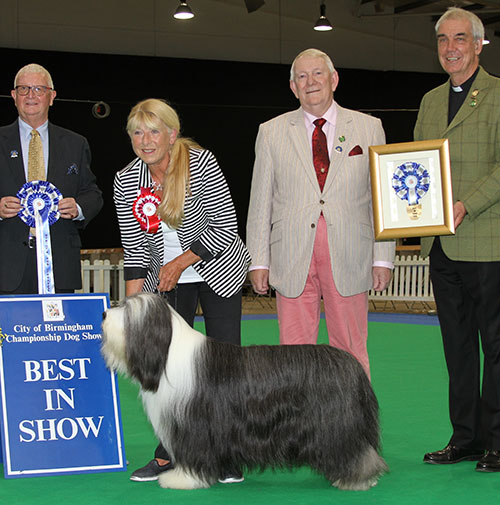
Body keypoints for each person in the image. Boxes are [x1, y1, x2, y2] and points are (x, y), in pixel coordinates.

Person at [113, 98, 250, 482]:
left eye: (154, 130)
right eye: (137, 132)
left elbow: (225, 225)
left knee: (225, 370)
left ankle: (228, 454)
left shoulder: (202, 163)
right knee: (168, 370)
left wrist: (181, 261)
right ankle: (168, 452)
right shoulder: (126, 180)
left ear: (172, 134)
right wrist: (132, 305)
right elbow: (135, 249)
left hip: (216, 266)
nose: (145, 140)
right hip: (167, 280)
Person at [246, 48, 395, 378]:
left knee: (351, 349)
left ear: (334, 79)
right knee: (294, 354)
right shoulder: (270, 132)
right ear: (292, 87)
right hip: (291, 255)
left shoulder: (370, 128)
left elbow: (381, 197)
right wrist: (258, 261)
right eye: (301, 76)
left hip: (351, 254)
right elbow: (260, 201)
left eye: (317, 73)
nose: (310, 81)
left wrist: (383, 256)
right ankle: (299, 428)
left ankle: (355, 427)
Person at [414, 7, 500, 472]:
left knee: (497, 346)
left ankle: (498, 442)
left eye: (461, 39)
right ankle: (465, 437)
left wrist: (466, 202)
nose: (451, 47)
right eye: (443, 39)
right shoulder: (429, 101)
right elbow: (414, 165)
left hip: (488, 242)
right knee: (458, 348)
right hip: (441, 247)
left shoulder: (499, 94)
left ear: (479, 44)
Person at [0, 63, 103, 294]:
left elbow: (92, 193)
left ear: (52, 96)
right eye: (24, 89)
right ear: (14, 96)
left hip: (59, 264)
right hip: (6, 266)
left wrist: (78, 207)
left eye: (38, 89)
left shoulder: (76, 143)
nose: (31, 95)